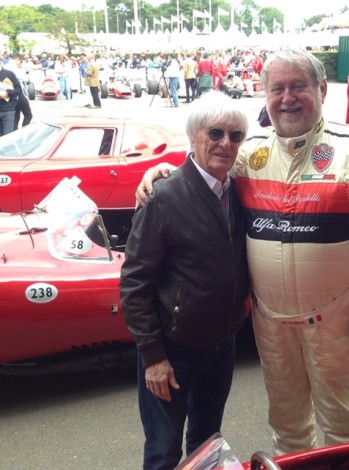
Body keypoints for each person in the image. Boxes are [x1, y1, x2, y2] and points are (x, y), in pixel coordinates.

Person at [135, 48, 349, 455]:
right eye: (277, 88)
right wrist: (162, 172)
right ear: (264, 95)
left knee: (344, 423)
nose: (287, 98)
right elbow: (204, 166)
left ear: (321, 89)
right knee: (287, 425)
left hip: (338, 320)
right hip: (271, 323)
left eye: (298, 86)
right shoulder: (249, 152)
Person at [120, 91, 250, 469]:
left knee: (207, 445)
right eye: (216, 133)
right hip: (172, 350)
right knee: (163, 451)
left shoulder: (238, 188)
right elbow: (134, 282)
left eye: (236, 135)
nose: (226, 143)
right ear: (194, 136)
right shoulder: (164, 196)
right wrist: (154, 357)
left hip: (221, 346)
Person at [0, 61, 22, 136]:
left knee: (7, 138)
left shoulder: (9, 74)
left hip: (8, 111)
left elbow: (19, 90)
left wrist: (7, 93)